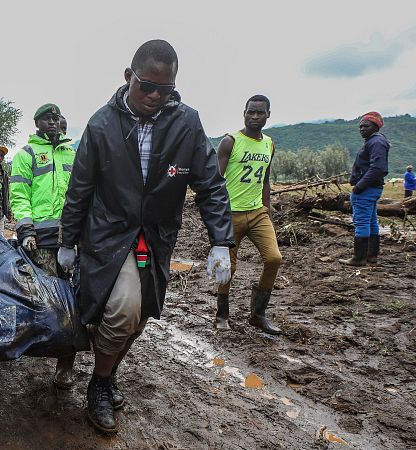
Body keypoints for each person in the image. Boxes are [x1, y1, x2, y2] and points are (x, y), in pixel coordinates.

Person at [59, 40, 234, 434]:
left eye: (165, 89)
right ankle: (99, 385)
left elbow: (210, 183)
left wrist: (220, 240)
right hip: (109, 234)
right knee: (123, 309)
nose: (155, 96)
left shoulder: (186, 123)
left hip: (156, 236)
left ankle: (106, 372)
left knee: (142, 314)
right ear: (128, 77)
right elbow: (80, 187)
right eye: (146, 86)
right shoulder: (102, 124)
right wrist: (68, 241)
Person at [10, 103, 77, 389]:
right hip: (41, 240)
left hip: (70, 238)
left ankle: (66, 364)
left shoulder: (71, 153)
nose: (52, 122)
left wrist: (77, 235)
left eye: (56, 118)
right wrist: (25, 230)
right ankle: (42, 346)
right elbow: (19, 193)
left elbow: (80, 193)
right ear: (37, 123)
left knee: (72, 302)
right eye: (46, 118)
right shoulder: (26, 155)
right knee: (47, 298)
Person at [215, 95, 283, 334]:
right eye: (250, 112)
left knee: (274, 258)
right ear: (244, 112)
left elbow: (265, 178)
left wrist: (268, 206)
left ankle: (258, 314)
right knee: (227, 267)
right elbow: (215, 181)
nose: (255, 117)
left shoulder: (269, 144)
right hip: (230, 213)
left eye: (260, 113)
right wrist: (216, 216)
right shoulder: (230, 142)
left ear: (268, 115)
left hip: (257, 213)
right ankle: (222, 314)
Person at [340, 112, 389, 266]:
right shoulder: (374, 142)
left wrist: (358, 187)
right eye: (360, 126)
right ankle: (371, 256)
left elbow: (377, 168)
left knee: (361, 222)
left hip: (366, 190)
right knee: (371, 221)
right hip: (372, 189)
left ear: (375, 126)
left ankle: (358, 258)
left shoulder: (376, 142)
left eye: (365, 125)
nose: (361, 128)